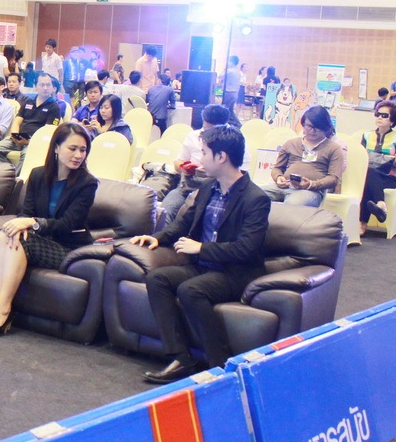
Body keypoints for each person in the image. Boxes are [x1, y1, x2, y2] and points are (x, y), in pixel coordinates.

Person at [132, 124, 271, 383]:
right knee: (157, 278)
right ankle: (181, 358)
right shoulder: (208, 188)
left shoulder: (255, 199)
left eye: (204, 153)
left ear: (222, 157)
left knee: (191, 290)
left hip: (236, 272)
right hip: (204, 266)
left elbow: (246, 248)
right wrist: (158, 237)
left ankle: (221, 365)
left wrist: (201, 248)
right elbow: (185, 223)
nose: (200, 159)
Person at [0, 122, 97, 338]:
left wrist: (33, 223)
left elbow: (67, 224)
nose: (78, 155)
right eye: (73, 148)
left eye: (83, 150)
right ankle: (2, 307)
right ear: (56, 147)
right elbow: (26, 212)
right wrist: (24, 223)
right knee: (4, 234)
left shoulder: (87, 184)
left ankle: (1, 310)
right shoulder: (38, 175)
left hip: (68, 247)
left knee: (21, 237)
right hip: (40, 240)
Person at [160, 104, 244, 222]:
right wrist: (186, 169)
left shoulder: (235, 141)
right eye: (205, 128)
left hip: (219, 189)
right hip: (189, 186)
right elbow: (178, 162)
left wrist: (213, 171)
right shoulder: (193, 136)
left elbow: (240, 174)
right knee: (167, 210)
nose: (201, 160)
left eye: (211, 130)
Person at [265, 105, 344, 207]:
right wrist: (278, 177)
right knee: (253, 196)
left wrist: (311, 184)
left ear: (325, 128)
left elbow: (334, 179)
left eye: (317, 128)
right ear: (303, 125)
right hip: (284, 186)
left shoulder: (334, 148)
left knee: (292, 204)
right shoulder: (291, 144)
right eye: (309, 126)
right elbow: (277, 168)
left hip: (311, 191)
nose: (312, 131)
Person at [360, 100, 396, 235]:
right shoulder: (367, 135)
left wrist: (373, 157)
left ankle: (362, 223)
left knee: (369, 176)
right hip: (368, 175)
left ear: (392, 120)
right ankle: (380, 204)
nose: (379, 118)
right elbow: (360, 157)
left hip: (389, 178)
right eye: (378, 114)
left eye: (384, 115)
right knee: (369, 176)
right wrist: (386, 158)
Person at [0, 71, 62, 166]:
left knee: (26, 155)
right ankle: (10, 171)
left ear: (52, 88)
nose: (45, 88)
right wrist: (15, 135)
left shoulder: (54, 107)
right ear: (36, 87)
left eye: (48, 85)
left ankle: (18, 175)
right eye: (42, 85)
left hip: (36, 142)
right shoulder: (28, 102)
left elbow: (47, 131)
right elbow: (17, 121)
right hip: (19, 138)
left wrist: (29, 141)